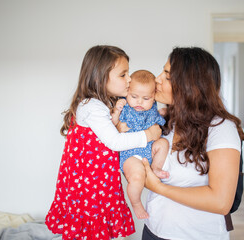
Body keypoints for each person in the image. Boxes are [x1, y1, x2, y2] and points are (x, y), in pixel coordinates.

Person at [45, 45, 162, 240]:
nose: (129, 79)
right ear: (100, 78)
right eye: (123, 75)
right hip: (89, 182)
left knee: (96, 226)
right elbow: (114, 142)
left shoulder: (100, 103)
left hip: (96, 178)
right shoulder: (92, 106)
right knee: (91, 223)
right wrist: (148, 135)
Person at [141, 47, 244, 240]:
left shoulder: (221, 129)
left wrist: (158, 187)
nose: (157, 79)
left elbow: (221, 201)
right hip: (153, 230)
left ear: (190, 86)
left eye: (167, 76)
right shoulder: (166, 121)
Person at [112, 70, 169, 220]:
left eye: (146, 98)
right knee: (137, 177)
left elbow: (162, 122)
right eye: (134, 96)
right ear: (127, 92)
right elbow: (112, 126)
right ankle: (136, 204)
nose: (139, 102)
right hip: (131, 155)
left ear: (153, 97)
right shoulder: (125, 107)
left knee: (163, 143)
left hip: (149, 151)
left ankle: (155, 167)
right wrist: (117, 113)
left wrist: (165, 113)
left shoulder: (153, 109)